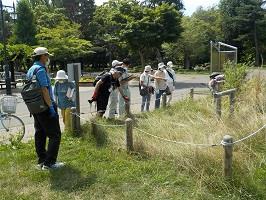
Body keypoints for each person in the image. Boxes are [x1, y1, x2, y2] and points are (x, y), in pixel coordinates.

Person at [26, 47, 64, 170]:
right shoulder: (41, 70)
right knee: (55, 135)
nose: (48, 58)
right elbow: (44, 90)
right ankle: (49, 163)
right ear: (43, 56)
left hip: (35, 107)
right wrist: (51, 108)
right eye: (47, 55)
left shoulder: (31, 69)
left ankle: (42, 160)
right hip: (45, 106)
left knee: (40, 133)